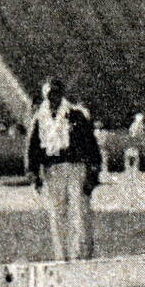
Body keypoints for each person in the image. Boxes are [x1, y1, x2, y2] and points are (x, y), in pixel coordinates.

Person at [24, 76, 101, 261]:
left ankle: (82, 258)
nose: (52, 99)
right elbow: (32, 147)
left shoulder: (76, 115)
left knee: (80, 214)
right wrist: (33, 173)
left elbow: (92, 146)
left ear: (62, 94)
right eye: (49, 95)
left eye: (56, 94)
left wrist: (92, 174)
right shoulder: (39, 118)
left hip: (75, 167)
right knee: (58, 216)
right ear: (45, 96)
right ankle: (62, 258)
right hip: (53, 169)